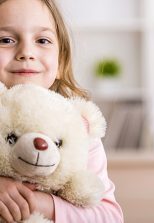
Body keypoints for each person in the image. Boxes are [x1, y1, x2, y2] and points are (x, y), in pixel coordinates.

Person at [0, 0, 124, 222]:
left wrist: (40, 203)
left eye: (42, 40)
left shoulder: (77, 131)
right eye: (6, 40)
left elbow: (110, 217)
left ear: (61, 62)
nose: (26, 52)